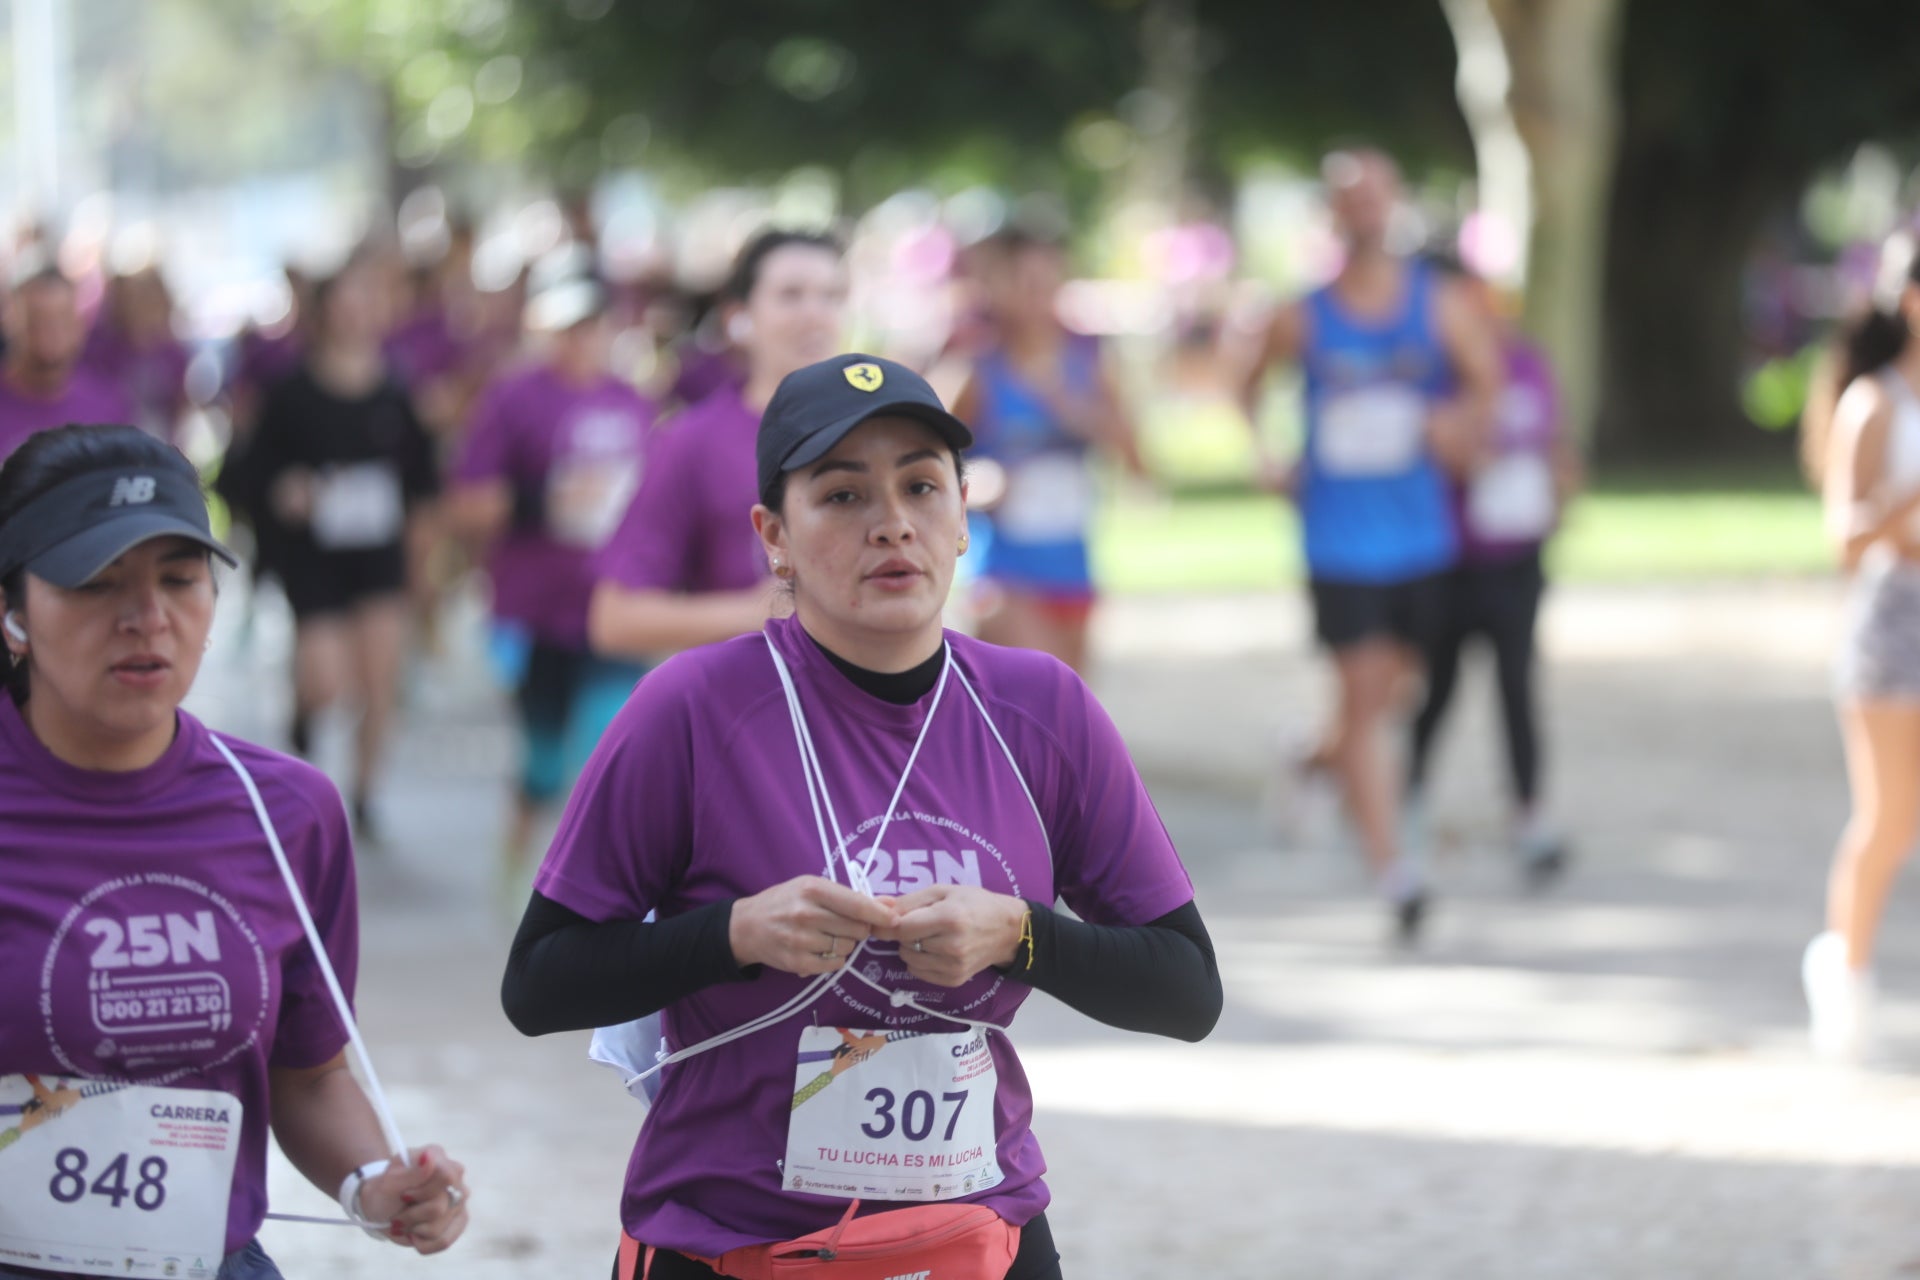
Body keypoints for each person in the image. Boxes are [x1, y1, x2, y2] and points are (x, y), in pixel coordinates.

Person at [503, 354, 1221, 1280]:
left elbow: (1188, 988)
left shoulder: (1042, 708)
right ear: (774, 538)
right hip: (731, 1242)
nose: (892, 523)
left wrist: (1023, 936)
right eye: (841, 497)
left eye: (922, 486)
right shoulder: (691, 708)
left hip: (974, 1236)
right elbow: (537, 984)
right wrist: (734, 934)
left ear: (963, 516)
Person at [0, 424, 467, 1278]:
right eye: (97, 583)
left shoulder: (287, 811)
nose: (148, 619)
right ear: (13, 611)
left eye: (181, 580)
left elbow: (310, 1074)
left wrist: (375, 1183)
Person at [1234, 149, 1501, 939]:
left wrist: (1459, 428)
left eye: (1378, 200)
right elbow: (1246, 381)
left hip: (1422, 536)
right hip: (1339, 539)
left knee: (1395, 696)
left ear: (1396, 209)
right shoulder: (1303, 314)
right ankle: (1398, 873)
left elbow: (1489, 381)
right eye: (1351, 203)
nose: (1366, 216)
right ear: (1332, 216)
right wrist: (1266, 452)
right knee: (1362, 697)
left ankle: (1314, 760)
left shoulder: (1439, 303)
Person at [219, 254, 440, 841]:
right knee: (329, 683)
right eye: (343, 303)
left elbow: (423, 484)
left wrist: (424, 566)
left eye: (366, 302)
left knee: (380, 681)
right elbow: (243, 473)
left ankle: (364, 796)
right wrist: (284, 490)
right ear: (322, 314)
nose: (356, 315)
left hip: (379, 558)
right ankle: (303, 713)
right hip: (313, 559)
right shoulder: (289, 393)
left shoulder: (397, 391)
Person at [448, 265, 655, 883]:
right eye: (569, 326)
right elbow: (466, 501)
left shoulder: (635, 403)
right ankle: (516, 868)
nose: (582, 338)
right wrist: (548, 501)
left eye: (593, 325)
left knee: (609, 750)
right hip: (534, 610)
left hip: (614, 610)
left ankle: (591, 887)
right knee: (541, 762)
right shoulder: (513, 398)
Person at [587, 229, 843, 661]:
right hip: (749, 708)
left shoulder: (876, 432)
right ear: (738, 317)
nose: (815, 314)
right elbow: (614, 618)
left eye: (833, 295)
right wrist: (759, 611)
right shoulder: (693, 440)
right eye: (792, 295)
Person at [1405, 257, 1581, 885]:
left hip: (1518, 557)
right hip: (1457, 560)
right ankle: (1409, 801)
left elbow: (1553, 442)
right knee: (1440, 689)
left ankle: (1529, 817)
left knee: (1517, 686)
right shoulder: (1440, 375)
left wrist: (1562, 491)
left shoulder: (1530, 364)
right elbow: (1439, 453)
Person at [1798, 235, 1920, 1062]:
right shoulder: (1876, 402)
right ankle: (1845, 972)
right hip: (1894, 620)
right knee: (1889, 818)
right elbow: (1844, 535)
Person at [952, 227, 1146, 673]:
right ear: (997, 288)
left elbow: (1140, 466)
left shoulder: (1091, 370)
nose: (1037, 297)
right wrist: (980, 483)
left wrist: (1084, 415)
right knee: (1046, 687)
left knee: (1068, 718)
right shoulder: (975, 374)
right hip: (1004, 572)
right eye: (1024, 284)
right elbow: (924, 471)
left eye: (1048, 283)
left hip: (1074, 566)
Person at [0, 264, 132, 462]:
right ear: (11, 322)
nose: (50, 335)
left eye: (61, 320)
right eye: (36, 321)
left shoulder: (108, 405)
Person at [80, 265, 194, 446]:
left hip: (158, 442)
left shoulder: (173, 354)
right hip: (112, 438)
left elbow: (181, 405)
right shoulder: (105, 348)